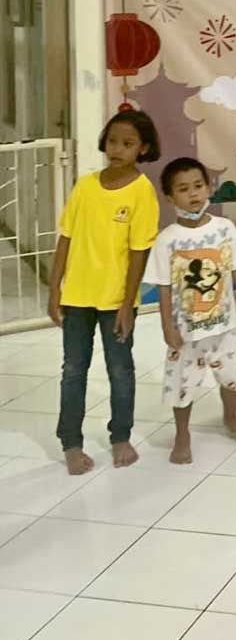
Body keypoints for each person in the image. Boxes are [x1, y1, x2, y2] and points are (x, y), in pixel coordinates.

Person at [48, 109, 160, 475]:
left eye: (127, 143)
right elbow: (65, 238)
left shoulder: (143, 192)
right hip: (76, 297)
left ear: (143, 148)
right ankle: (71, 442)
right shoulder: (84, 185)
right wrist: (54, 290)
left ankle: (120, 437)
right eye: (112, 141)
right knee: (73, 370)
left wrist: (129, 305)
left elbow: (138, 252)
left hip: (116, 302)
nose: (117, 149)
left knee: (120, 371)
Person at [143, 157, 236, 463]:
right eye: (183, 189)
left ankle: (231, 419)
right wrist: (167, 326)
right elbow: (164, 288)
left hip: (223, 325)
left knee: (231, 376)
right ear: (170, 198)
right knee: (181, 385)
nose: (193, 194)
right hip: (186, 331)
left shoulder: (224, 228)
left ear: (208, 187)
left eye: (198, 186)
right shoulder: (166, 239)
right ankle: (182, 435)